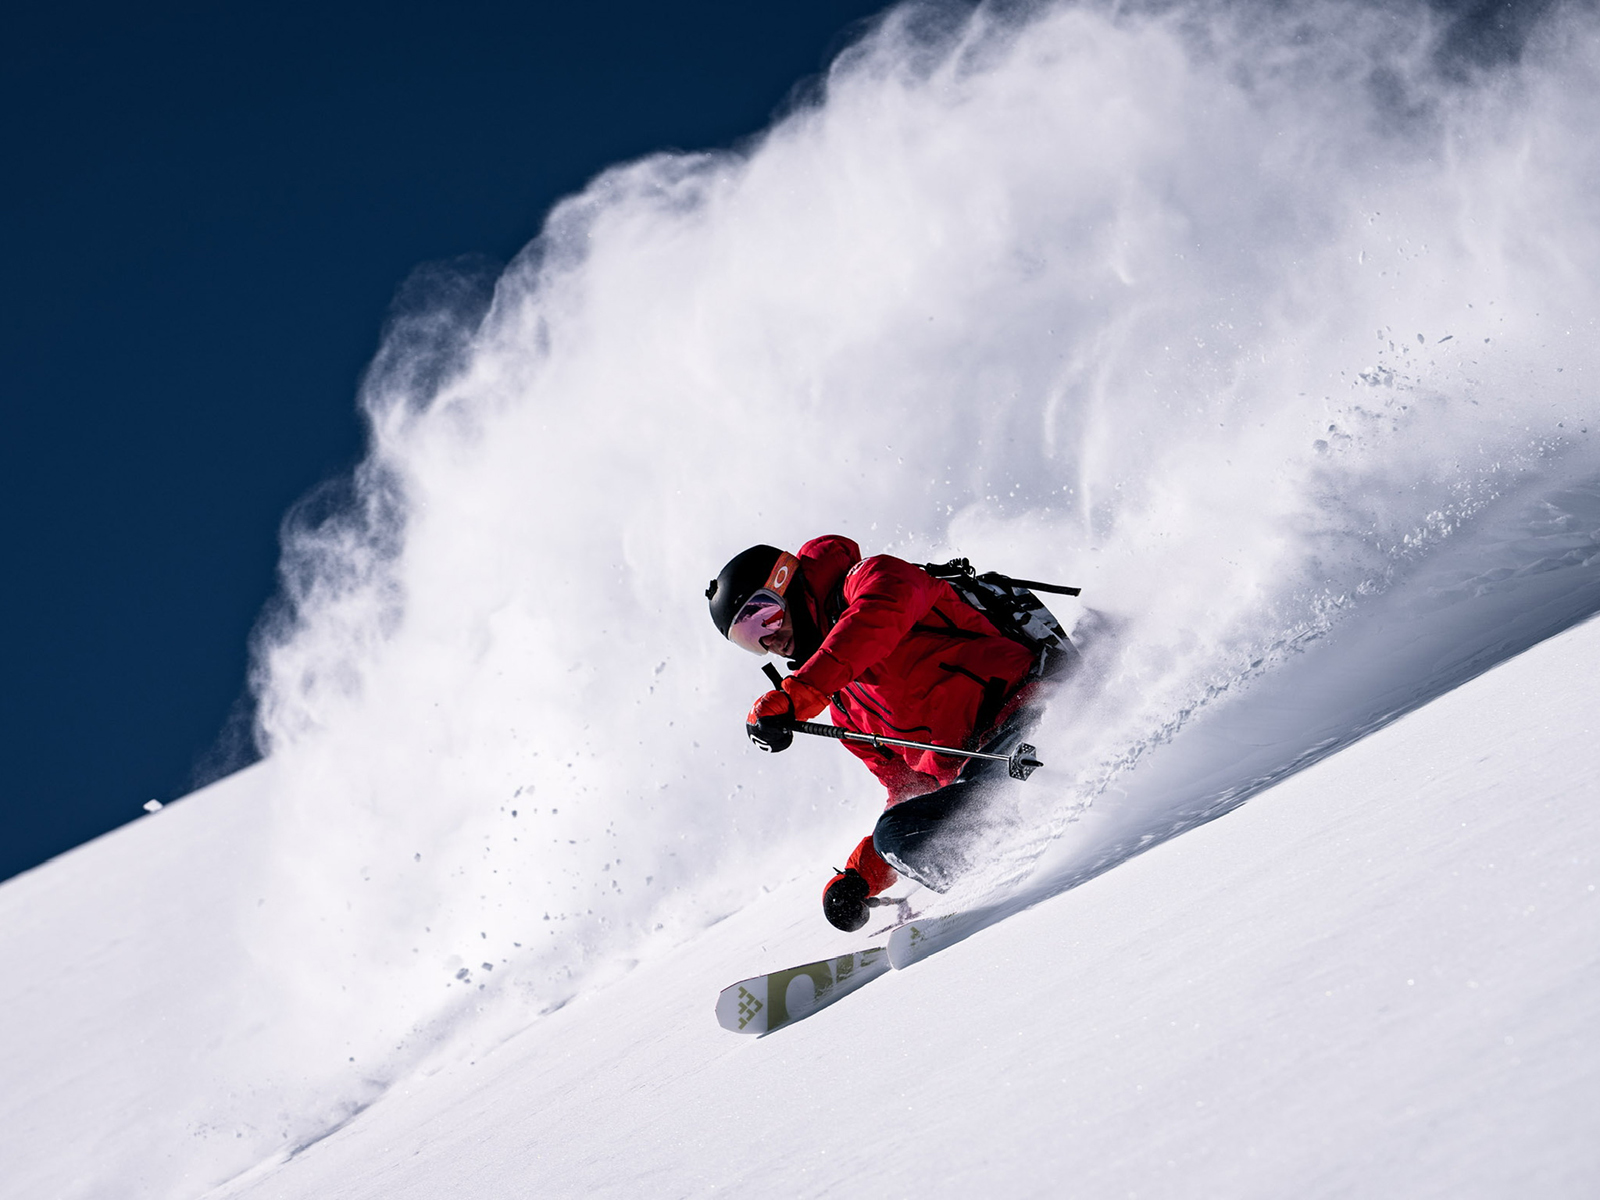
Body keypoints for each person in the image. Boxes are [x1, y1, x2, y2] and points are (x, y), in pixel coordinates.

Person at [706, 535, 1053, 933]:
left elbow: (878, 617)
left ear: (786, 581)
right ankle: (1002, 880)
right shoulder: (843, 709)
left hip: (1033, 717)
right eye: (751, 639)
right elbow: (911, 792)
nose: (770, 639)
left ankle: (1006, 880)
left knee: (934, 823)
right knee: (899, 834)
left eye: (763, 616)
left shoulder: (874, 578)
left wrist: (799, 695)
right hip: (982, 776)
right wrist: (863, 875)